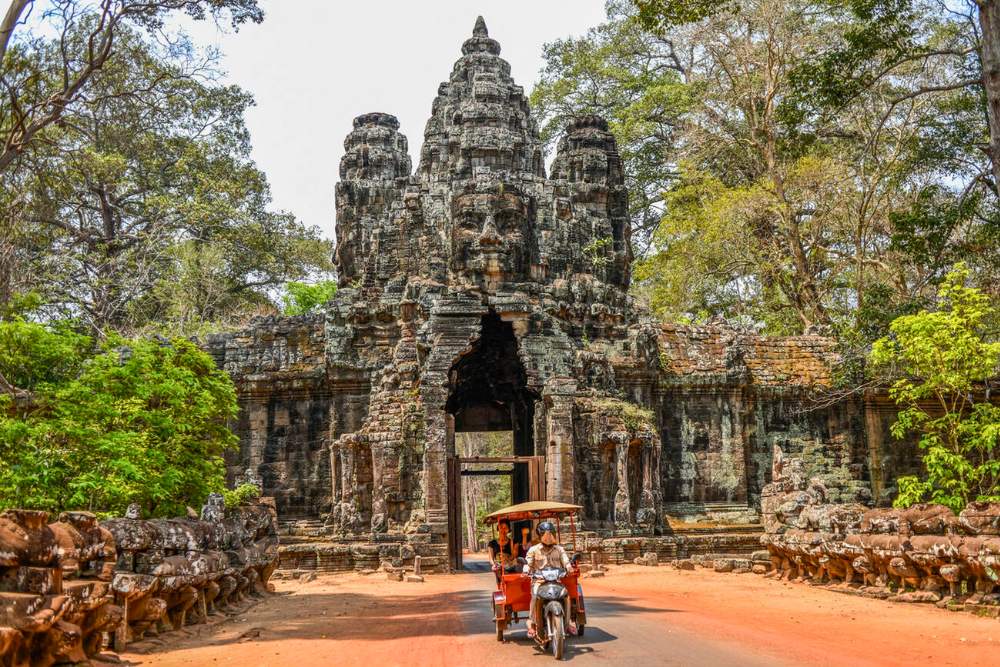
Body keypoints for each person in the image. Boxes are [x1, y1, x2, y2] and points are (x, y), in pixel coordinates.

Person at [523, 520, 576, 638]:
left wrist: (569, 567)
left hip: (556, 581)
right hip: (539, 581)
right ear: (540, 535)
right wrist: (526, 570)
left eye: (550, 534)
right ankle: (532, 623)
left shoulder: (559, 549)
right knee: (535, 595)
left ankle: (568, 622)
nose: (548, 537)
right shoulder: (533, 550)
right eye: (545, 534)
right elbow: (528, 563)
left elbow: (565, 560)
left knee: (566, 596)